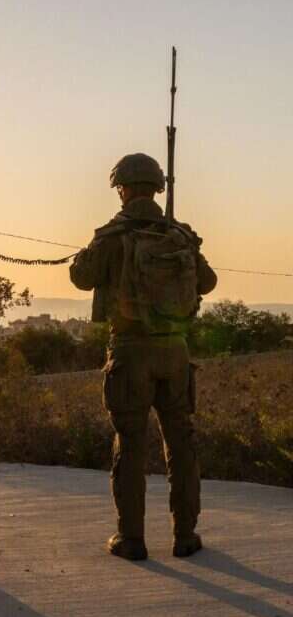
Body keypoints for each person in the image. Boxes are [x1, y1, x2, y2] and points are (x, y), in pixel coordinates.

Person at [70, 153, 217, 561]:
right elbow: (208, 281)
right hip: (175, 351)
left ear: (122, 188)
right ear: (157, 186)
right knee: (182, 444)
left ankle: (131, 539)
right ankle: (185, 536)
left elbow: (81, 276)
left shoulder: (113, 234)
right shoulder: (180, 234)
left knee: (131, 445)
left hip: (131, 353)